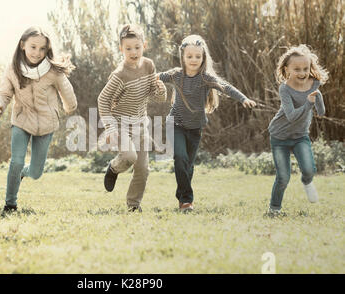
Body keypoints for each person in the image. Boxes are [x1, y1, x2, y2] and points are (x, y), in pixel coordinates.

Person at [157, 34, 256, 212]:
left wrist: (243, 99)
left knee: (188, 165)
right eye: (189, 56)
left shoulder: (206, 78)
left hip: (195, 128)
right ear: (183, 57)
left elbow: (226, 87)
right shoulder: (175, 75)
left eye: (198, 56)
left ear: (203, 58)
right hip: (175, 124)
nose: (193, 60)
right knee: (180, 158)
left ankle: (182, 195)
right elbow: (153, 77)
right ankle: (187, 201)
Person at [0, 26, 77, 214]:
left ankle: (25, 173)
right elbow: (4, 93)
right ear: (23, 45)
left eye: (42, 49)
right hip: (21, 120)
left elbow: (67, 92)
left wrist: (69, 107)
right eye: (33, 47)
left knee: (36, 172)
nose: (37, 53)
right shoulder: (13, 69)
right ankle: (10, 204)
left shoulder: (53, 71)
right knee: (16, 161)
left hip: (46, 124)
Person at [98, 24, 167, 212]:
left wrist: (162, 91)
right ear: (121, 49)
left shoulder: (149, 65)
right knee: (129, 156)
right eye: (128, 48)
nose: (133, 52)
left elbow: (157, 95)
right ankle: (113, 168)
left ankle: (133, 205)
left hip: (140, 125)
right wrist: (110, 129)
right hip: (121, 126)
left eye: (137, 47)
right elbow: (103, 100)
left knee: (143, 169)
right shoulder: (119, 75)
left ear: (144, 45)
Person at [266, 44, 328, 217]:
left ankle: (307, 182)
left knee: (309, 170)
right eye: (297, 69)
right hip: (279, 137)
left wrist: (318, 98)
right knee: (283, 177)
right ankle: (274, 209)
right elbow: (292, 116)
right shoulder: (284, 88)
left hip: (300, 136)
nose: (302, 73)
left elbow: (321, 112)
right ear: (287, 69)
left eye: (305, 69)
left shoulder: (314, 84)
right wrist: (309, 102)